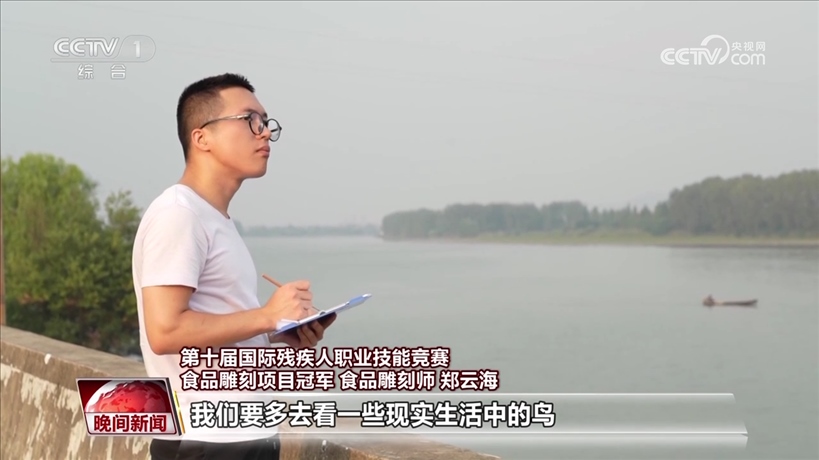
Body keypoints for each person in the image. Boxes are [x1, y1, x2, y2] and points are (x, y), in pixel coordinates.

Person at [132, 73, 336, 460]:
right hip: (207, 441)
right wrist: (266, 315)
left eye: (266, 122)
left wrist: (278, 333)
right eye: (250, 121)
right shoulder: (179, 214)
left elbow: (213, 328)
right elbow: (166, 330)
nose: (265, 133)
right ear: (202, 137)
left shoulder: (215, 219)